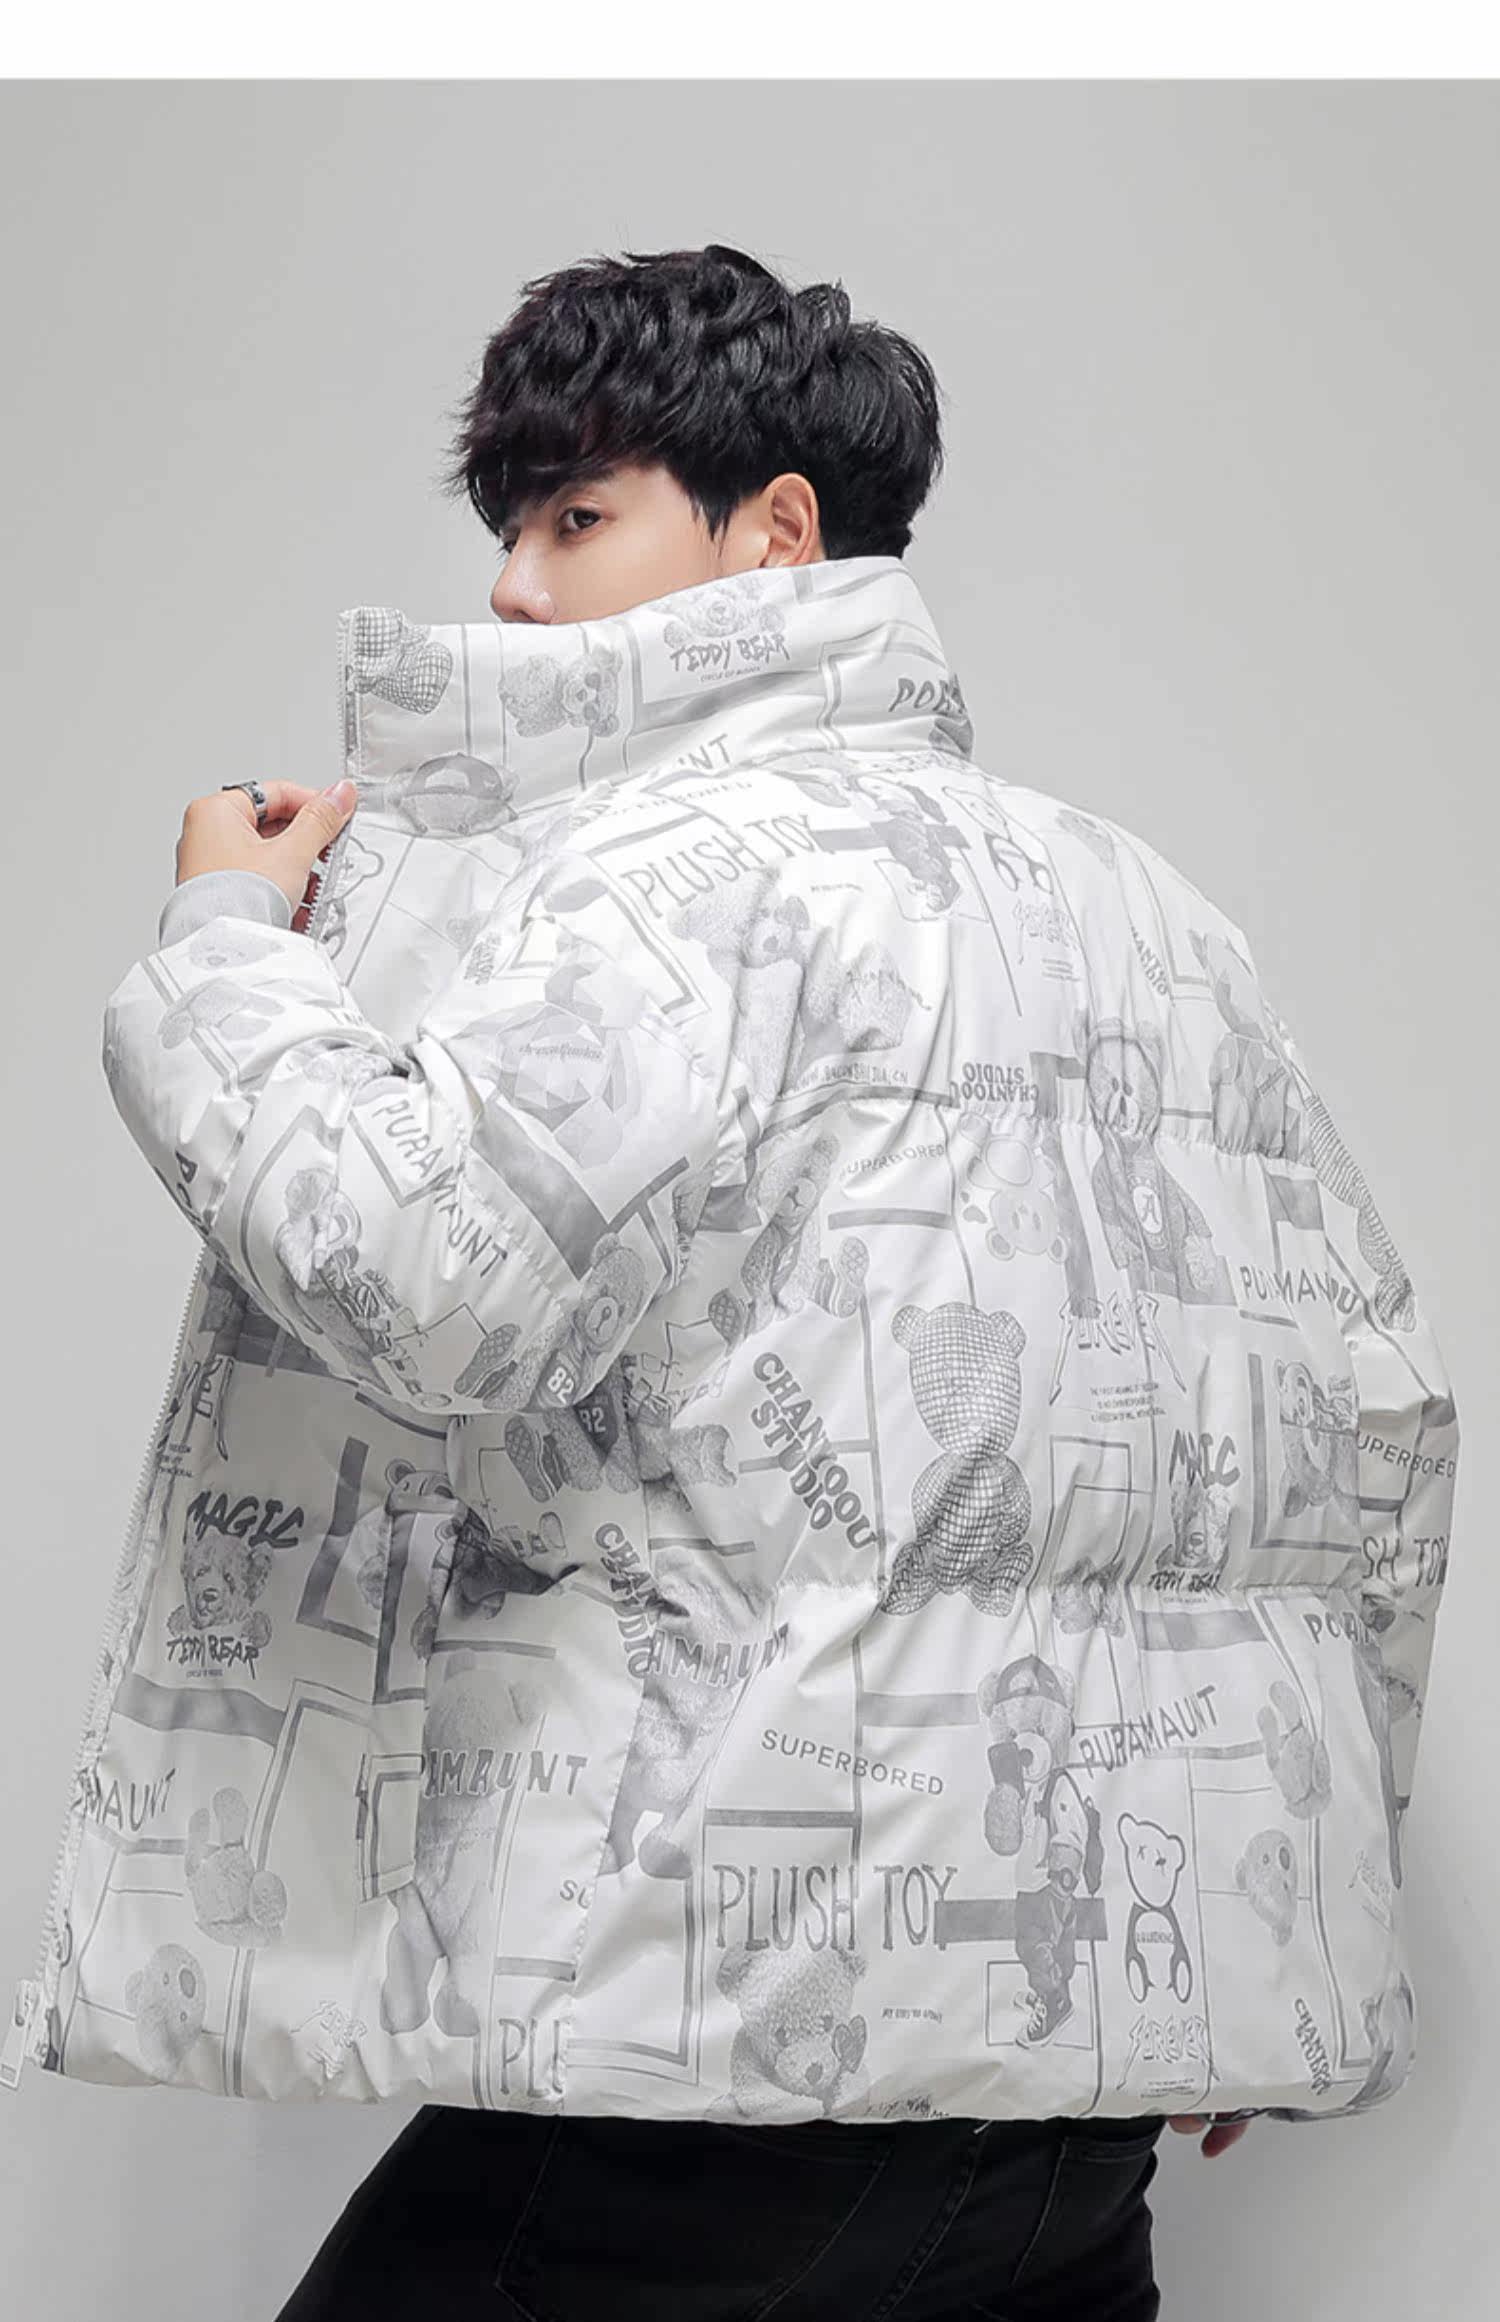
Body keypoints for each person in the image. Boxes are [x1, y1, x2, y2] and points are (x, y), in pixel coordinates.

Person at [106, 245, 1453, 2321]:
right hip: (1072, 2092)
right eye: (507, 532)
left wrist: (226, 950)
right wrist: (1263, 1923)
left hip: (736, 2052)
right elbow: (1369, 1431)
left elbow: (420, 1275)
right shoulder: (1154, 911)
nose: (514, 594)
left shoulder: (680, 878)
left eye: (576, 517)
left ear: (778, 530)